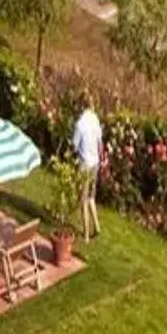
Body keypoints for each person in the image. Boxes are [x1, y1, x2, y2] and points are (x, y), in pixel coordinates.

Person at [70, 101, 104, 241]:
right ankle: (96, 226)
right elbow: (99, 142)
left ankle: (86, 235)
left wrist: (73, 152)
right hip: (95, 162)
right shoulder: (95, 119)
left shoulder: (80, 124)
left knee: (83, 199)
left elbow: (74, 145)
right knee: (91, 197)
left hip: (85, 163)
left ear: (81, 106)